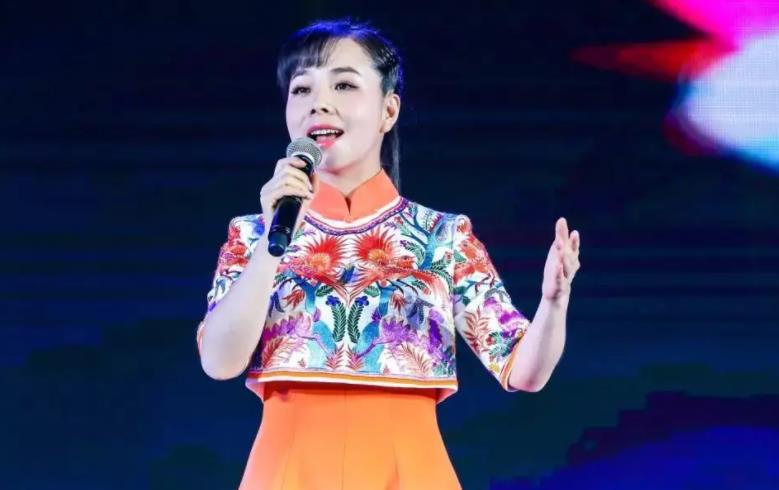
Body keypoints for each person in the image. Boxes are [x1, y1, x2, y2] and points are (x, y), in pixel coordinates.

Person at [196, 18, 581, 490]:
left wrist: (554, 302)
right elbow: (219, 362)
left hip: (409, 471)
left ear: (388, 110)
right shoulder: (254, 233)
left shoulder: (442, 237)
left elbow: (524, 371)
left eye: (343, 84)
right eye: (302, 89)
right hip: (287, 469)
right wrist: (270, 247)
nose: (319, 102)